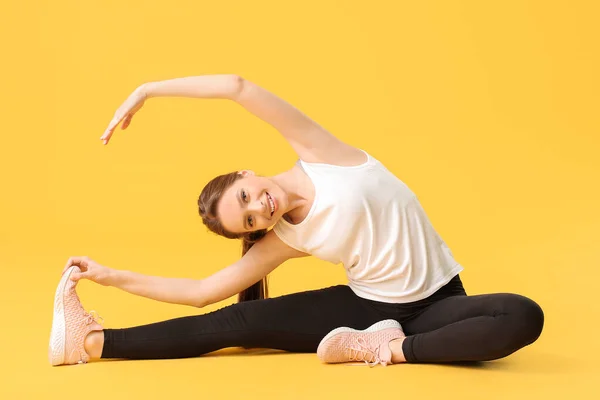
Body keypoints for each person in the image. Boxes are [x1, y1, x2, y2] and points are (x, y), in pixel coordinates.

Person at [48, 75, 544, 367]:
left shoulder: (319, 152)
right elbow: (201, 291)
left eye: (246, 195)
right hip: (368, 306)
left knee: (522, 316)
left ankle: (390, 349)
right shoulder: (286, 236)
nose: (258, 207)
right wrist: (110, 277)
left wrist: (147, 90)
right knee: (235, 322)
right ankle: (89, 343)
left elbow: (236, 86)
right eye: (247, 219)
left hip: (440, 301)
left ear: (247, 172)